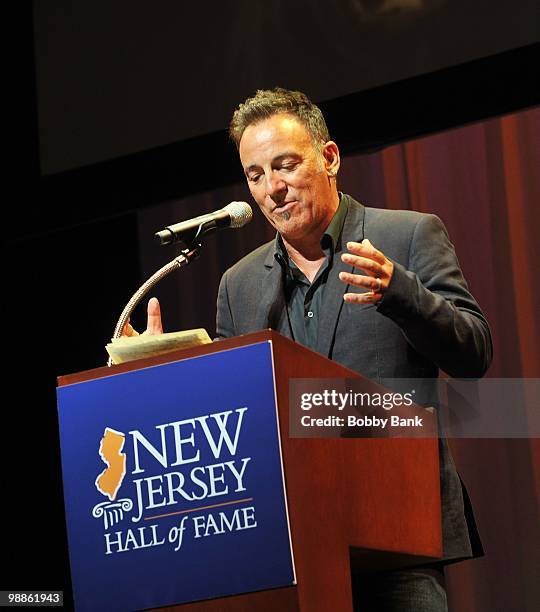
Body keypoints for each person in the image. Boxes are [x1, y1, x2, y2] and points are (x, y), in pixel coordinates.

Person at [129, 88, 492, 611]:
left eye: (285, 165)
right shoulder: (240, 284)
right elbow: (235, 419)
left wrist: (402, 293)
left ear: (329, 158)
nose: (272, 189)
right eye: (255, 175)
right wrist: (159, 373)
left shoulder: (406, 234)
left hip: (397, 536)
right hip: (293, 542)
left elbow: (474, 353)